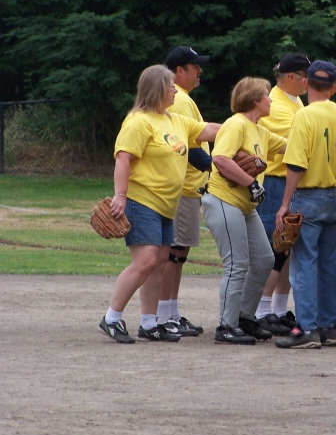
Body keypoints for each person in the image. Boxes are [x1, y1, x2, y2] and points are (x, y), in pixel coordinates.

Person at [97, 64, 219, 343]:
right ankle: (111, 318)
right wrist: (120, 195)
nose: (175, 89)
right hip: (142, 200)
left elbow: (209, 129)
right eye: (170, 85)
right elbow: (123, 158)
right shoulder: (138, 121)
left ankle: (149, 323)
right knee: (146, 260)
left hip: (166, 205)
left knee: (160, 262)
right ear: (157, 89)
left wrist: (244, 128)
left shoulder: (175, 120)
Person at [201, 77, 287, 344]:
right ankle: (226, 326)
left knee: (264, 260)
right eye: (266, 95)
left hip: (244, 206)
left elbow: (291, 145)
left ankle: (244, 317)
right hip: (223, 200)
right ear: (254, 100)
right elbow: (219, 158)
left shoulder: (260, 130)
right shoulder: (236, 124)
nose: (270, 99)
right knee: (237, 264)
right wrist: (251, 182)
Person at [274, 60, 336, 349]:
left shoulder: (304, 116)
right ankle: (328, 327)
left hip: (309, 197)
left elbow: (296, 163)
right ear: (334, 88)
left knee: (304, 264)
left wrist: (284, 203)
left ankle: (306, 329)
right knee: (328, 264)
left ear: (306, 83)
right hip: (335, 195)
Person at [157, 46, 211, 338]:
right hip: (182, 186)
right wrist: (217, 165)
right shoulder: (178, 99)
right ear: (179, 71)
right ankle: (164, 315)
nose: (200, 71)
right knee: (173, 253)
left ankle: (171, 312)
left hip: (189, 187)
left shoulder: (184, 98)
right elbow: (184, 145)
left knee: (178, 253)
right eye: (195, 67)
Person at [255, 53, 311, 336]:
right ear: (291, 77)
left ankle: (277, 309)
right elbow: (299, 146)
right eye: (305, 75)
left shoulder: (294, 101)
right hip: (276, 181)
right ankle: (261, 310)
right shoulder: (277, 106)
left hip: (288, 181)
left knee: (288, 246)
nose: (309, 81)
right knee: (275, 246)